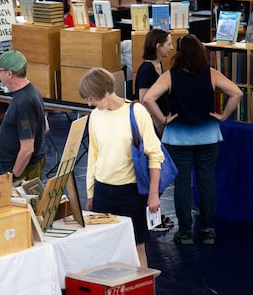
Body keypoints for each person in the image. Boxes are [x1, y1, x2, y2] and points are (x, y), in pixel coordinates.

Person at [142, 34, 243, 245]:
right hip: (208, 136)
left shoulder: (170, 75)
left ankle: (185, 232)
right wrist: (223, 116)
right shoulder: (211, 74)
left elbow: (148, 98)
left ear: (179, 53)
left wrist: (162, 120)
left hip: (177, 138)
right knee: (206, 182)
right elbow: (236, 93)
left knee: (181, 184)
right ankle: (208, 230)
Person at [79, 67, 163, 268]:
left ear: (104, 91)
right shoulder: (95, 116)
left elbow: (154, 154)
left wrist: (153, 194)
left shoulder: (136, 112)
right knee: (103, 248)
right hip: (102, 192)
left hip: (131, 193)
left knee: (137, 247)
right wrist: (91, 193)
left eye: (92, 98)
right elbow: (94, 155)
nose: (90, 104)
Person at [0, 50, 48, 180]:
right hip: (26, 167)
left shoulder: (24, 101)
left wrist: (13, 176)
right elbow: (45, 126)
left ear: (9, 73)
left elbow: (27, 149)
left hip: (22, 171)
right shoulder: (31, 90)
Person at [134, 29, 172, 132]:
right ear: (158, 46)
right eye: (168, 44)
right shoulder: (147, 69)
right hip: (154, 124)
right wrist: (159, 122)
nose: (171, 48)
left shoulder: (158, 64)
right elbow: (144, 101)